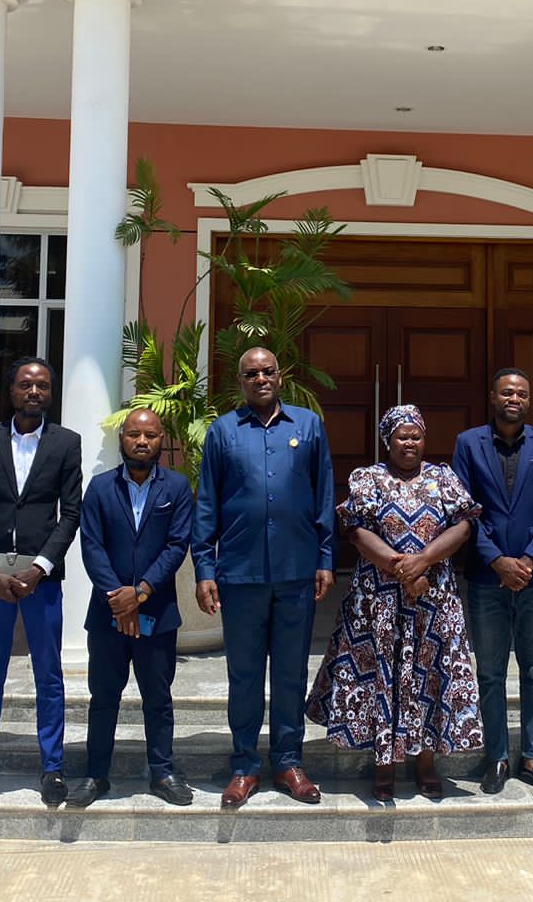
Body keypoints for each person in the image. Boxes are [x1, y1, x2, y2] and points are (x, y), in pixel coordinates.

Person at [307, 405, 483, 800]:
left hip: (432, 599)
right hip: (379, 600)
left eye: (416, 436)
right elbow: (355, 530)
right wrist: (402, 569)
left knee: (428, 676)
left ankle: (426, 762)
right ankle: (383, 763)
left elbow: (464, 525)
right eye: (402, 436)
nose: (409, 443)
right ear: (388, 441)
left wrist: (425, 561)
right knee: (381, 677)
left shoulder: (443, 478)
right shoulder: (368, 478)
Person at [193, 346, 335, 810]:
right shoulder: (223, 431)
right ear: (240, 381)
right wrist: (204, 567)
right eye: (251, 373)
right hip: (240, 573)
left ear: (280, 376)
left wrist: (326, 558)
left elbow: (323, 495)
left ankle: (289, 762)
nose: (260, 379)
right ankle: (244, 765)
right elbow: (207, 502)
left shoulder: (307, 426)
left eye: (267, 371)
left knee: (291, 674)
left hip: (296, 571)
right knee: (245, 674)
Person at [0, 357, 82, 808]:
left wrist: (40, 567)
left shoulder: (67, 443)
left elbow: (71, 513)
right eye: (26, 384)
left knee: (49, 674)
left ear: (51, 393)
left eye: (42, 385)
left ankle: (53, 769)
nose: (34, 392)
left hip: (41, 578)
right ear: (11, 391)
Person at [70, 408, 195, 808]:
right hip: (107, 614)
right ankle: (96, 774)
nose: (142, 441)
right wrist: (118, 598)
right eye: (134, 434)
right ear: (121, 438)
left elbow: (177, 545)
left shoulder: (177, 487)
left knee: (158, 697)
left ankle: (162, 772)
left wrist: (139, 593)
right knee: (104, 697)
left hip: (157, 613)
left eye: (151, 435)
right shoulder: (99, 488)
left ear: (162, 440)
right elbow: (92, 545)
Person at [452, 367, 533, 795]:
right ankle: (497, 757)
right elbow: (463, 509)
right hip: (487, 578)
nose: (513, 399)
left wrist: (529, 561)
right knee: (490, 673)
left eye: (521, 393)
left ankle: (532, 757)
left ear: (528, 400)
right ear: (492, 397)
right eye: (506, 392)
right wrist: (499, 561)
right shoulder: (469, 443)